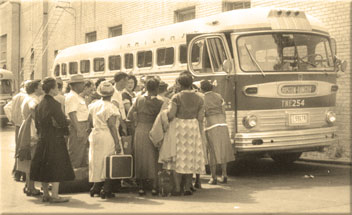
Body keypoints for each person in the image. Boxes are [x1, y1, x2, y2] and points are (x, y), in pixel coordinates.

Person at [30, 77, 75, 203]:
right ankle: (54, 195)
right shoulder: (55, 104)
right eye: (56, 87)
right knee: (57, 166)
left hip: (43, 138)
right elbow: (61, 121)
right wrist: (67, 126)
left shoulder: (40, 104)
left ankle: (45, 194)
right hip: (55, 138)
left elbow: (38, 123)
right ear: (51, 89)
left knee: (43, 166)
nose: (58, 90)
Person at [163, 73, 206, 196]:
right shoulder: (199, 98)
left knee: (178, 157)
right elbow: (200, 117)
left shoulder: (176, 97)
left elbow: (171, 115)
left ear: (180, 84)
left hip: (180, 127)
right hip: (193, 127)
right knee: (189, 157)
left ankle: (177, 188)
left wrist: (165, 114)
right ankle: (187, 187)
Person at [127, 77, 163, 196]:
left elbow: (130, 115)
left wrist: (136, 122)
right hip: (153, 129)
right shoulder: (159, 102)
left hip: (140, 130)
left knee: (140, 158)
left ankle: (141, 187)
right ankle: (154, 186)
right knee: (154, 158)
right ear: (157, 88)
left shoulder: (138, 99)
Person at [87, 81, 121, 199]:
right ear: (112, 94)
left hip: (95, 133)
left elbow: (90, 121)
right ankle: (106, 189)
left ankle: (95, 187)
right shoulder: (111, 107)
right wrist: (117, 142)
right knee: (108, 161)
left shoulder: (93, 105)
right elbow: (112, 125)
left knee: (97, 160)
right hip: (107, 135)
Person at [200, 80, 235, 184]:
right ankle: (224, 175)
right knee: (223, 149)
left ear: (202, 89)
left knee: (212, 151)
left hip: (211, 125)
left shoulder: (202, 98)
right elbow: (223, 111)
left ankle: (213, 177)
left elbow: (203, 114)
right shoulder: (219, 96)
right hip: (223, 124)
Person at [17, 79, 43, 196]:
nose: (42, 88)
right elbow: (33, 108)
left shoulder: (27, 98)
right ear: (35, 88)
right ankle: (31, 187)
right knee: (34, 159)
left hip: (26, 128)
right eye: (40, 86)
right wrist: (39, 120)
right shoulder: (33, 99)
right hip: (32, 129)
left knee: (29, 159)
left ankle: (28, 185)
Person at [65, 74, 89, 168]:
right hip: (77, 126)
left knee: (82, 154)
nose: (83, 85)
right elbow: (72, 114)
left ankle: (78, 179)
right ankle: (70, 180)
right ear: (74, 85)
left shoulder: (77, 96)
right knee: (76, 154)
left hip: (82, 126)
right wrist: (79, 130)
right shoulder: (72, 97)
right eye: (81, 83)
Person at [10, 80, 30, 182]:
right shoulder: (27, 97)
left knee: (19, 148)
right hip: (25, 125)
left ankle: (17, 172)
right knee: (25, 148)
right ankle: (22, 173)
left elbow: (9, 109)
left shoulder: (16, 97)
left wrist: (13, 120)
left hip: (18, 125)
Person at [111, 72, 129, 136]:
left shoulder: (118, 93)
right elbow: (117, 111)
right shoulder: (114, 93)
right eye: (126, 81)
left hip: (118, 124)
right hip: (116, 126)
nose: (127, 84)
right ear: (121, 81)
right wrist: (124, 126)